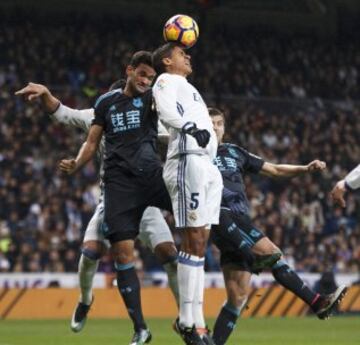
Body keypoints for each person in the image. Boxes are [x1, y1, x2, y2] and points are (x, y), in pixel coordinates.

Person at [17, 51, 175, 345]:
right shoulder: (100, 112)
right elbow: (64, 113)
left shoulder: (146, 110)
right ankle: (85, 299)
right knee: (90, 252)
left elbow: (170, 133)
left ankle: (186, 317)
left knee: (169, 254)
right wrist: (47, 94)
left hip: (147, 201)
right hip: (113, 197)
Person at [209, 107, 348, 345]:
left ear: (224, 127)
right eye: (209, 123)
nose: (214, 127)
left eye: (218, 123)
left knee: (237, 299)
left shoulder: (234, 152)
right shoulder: (192, 152)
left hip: (237, 220)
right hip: (222, 215)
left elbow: (273, 169)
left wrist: (305, 168)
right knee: (273, 254)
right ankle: (317, 303)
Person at [152, 43, 223, 345]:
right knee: (192, 238)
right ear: (168, 61)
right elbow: (166, 112)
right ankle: (186, 320)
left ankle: (198, 322)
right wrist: (192, 127)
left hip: (205, 166)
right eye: (182, 54)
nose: (188, 56)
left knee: (201, 242)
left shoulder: (188, 87)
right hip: (186, 161)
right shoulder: (165, 80)